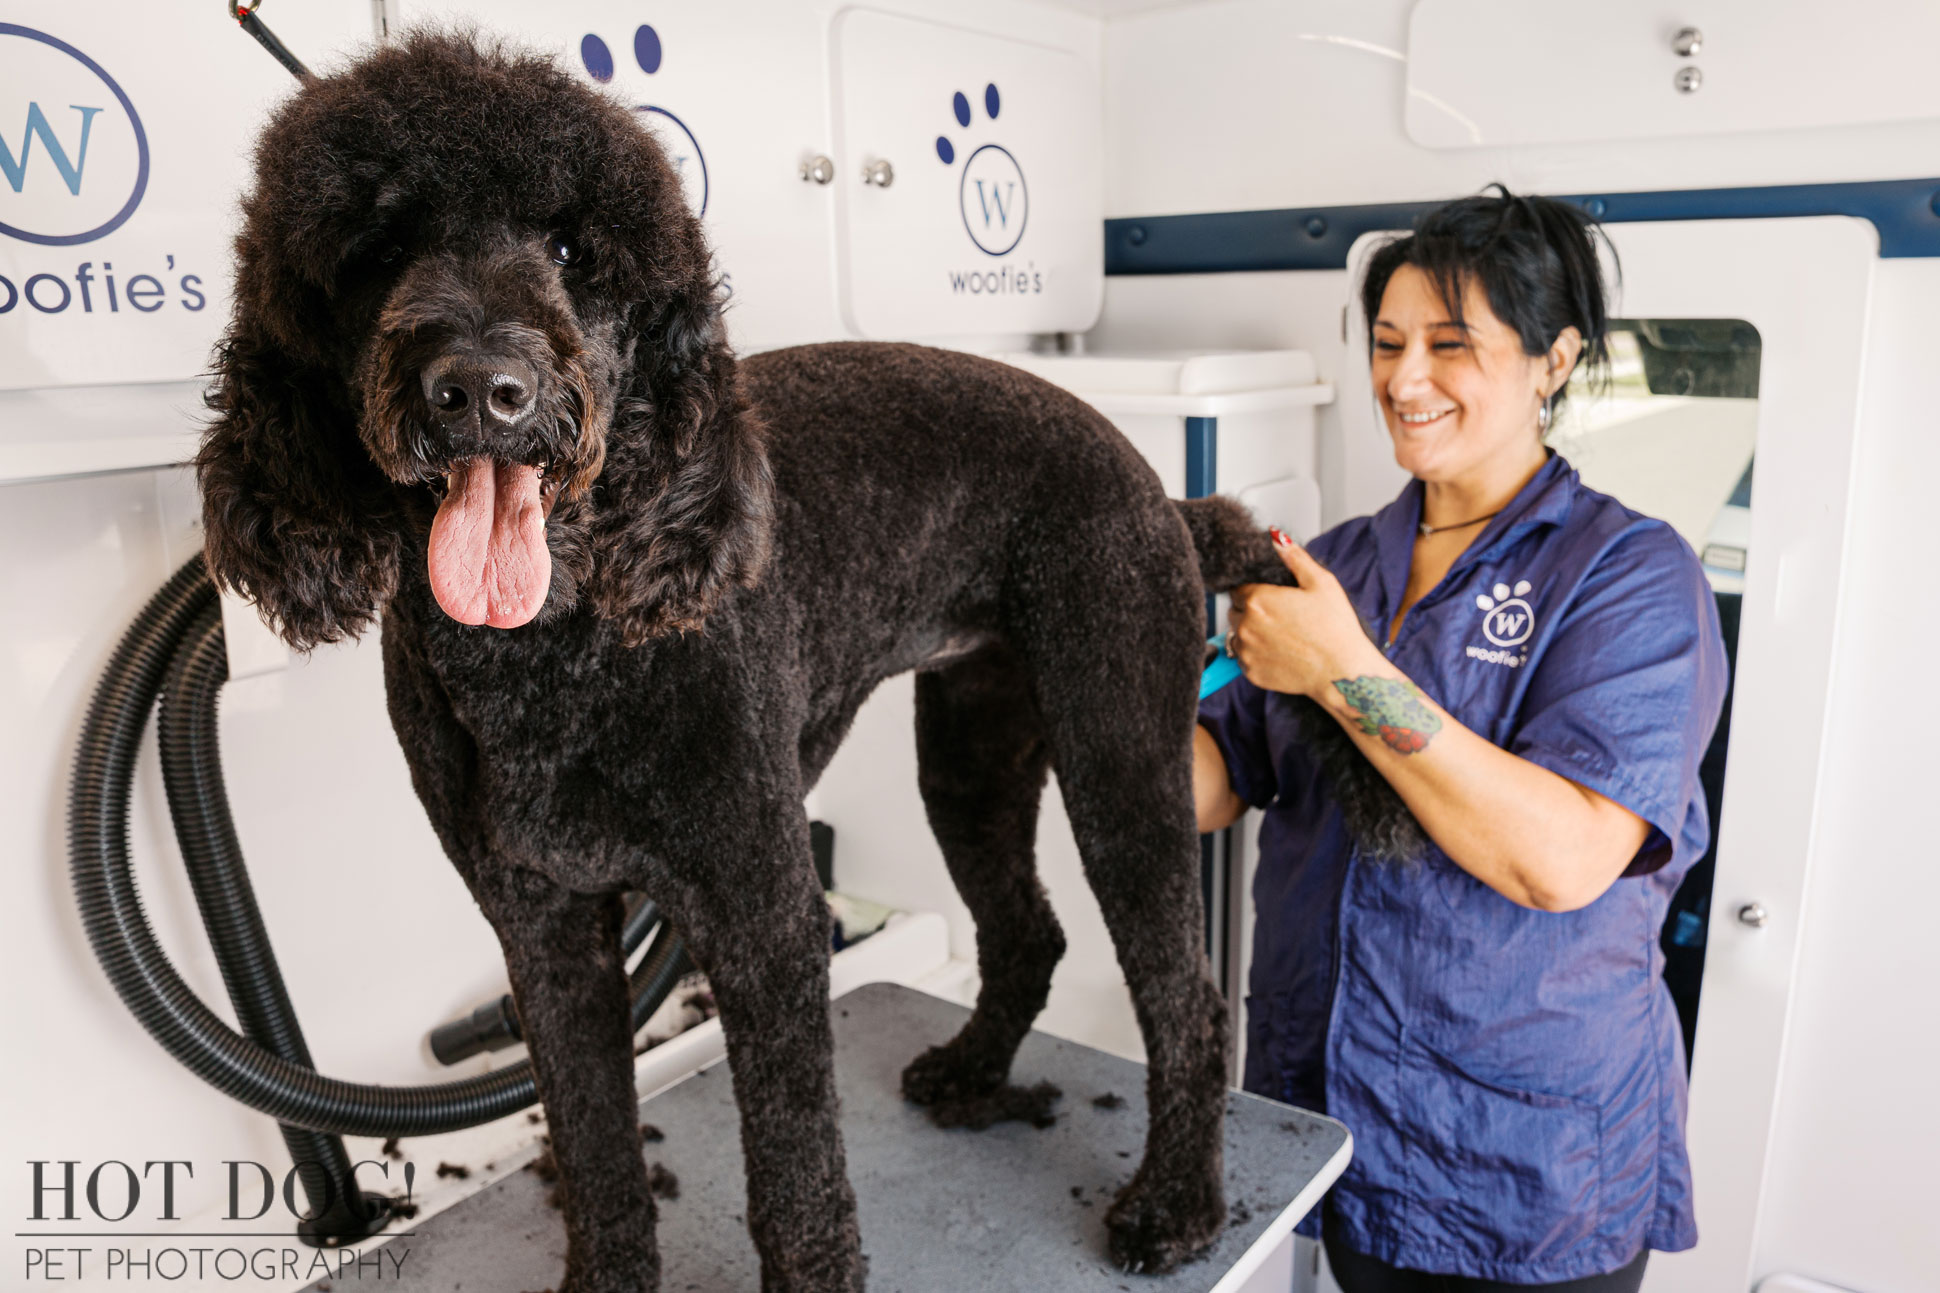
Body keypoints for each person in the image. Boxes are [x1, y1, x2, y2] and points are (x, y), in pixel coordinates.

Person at [1195, 188, 1728, 1292]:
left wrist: (1341, 670)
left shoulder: (1627, 575)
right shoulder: (1332, 562)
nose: (1402, 378)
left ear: (1553, 358)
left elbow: (1561, 858)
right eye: (1386, 344)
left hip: (1521, 1175)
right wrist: (1060, 672)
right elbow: (1205, 787)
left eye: (1449, 344)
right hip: (1342, 1132)